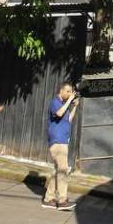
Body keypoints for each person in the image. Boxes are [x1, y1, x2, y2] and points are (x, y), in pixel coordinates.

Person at [43, 82, 79, 210]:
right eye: (68, 91)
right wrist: (69, 101)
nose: (70, 94)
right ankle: (62, 200)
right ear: (61, 90)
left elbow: (68, 119)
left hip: (63, 141)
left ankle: (49, 198)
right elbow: (58, 114)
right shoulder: (55, 102)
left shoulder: (65, 104)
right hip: (57, 141)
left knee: (58, 171)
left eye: (71, 92)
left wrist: (74, 106)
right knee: (63, 169)